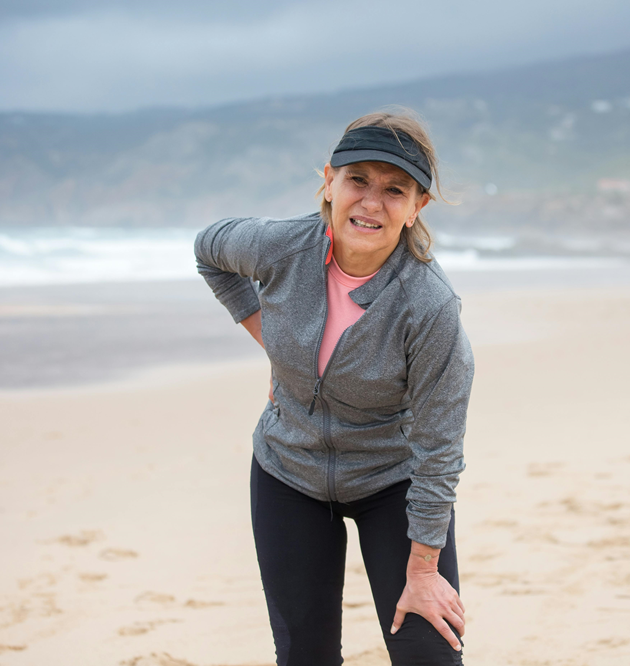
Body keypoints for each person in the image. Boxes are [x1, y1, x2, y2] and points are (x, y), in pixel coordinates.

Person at [194, 109, 475, 666]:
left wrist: (422, 571)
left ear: (418, 206)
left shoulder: (429, 305)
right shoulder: (280, 248)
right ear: (329, 181)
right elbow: (209, 249)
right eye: (358, 181)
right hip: (288, 471)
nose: (371, 202)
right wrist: (268, 338)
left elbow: (439, 450)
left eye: (395, 190)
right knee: (305, 658)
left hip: (390, 480)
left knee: (430, 656)